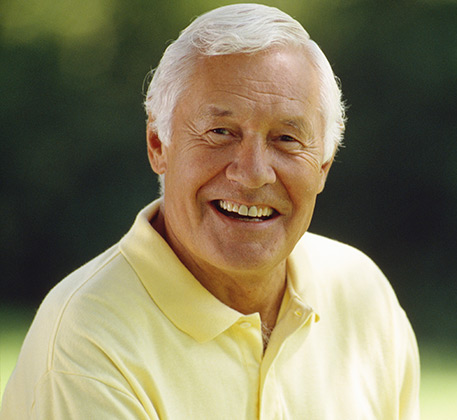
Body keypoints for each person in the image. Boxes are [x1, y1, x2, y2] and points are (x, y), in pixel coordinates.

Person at [0, 4, 420, 419]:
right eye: (220, 132)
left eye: (287, 139)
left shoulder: (363, 295)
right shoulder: (89, 341)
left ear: (323, 166)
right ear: (158, 146)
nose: (253, 173)